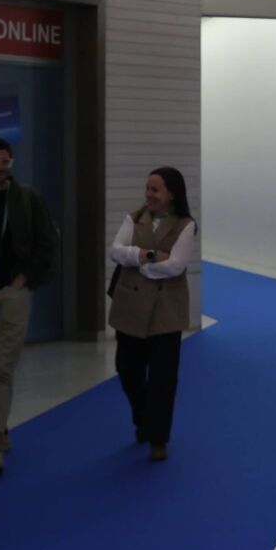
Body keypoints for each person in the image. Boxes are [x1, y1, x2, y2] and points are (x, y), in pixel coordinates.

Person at [0, 137, 60, 476]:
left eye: (5, 162)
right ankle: (1, 426)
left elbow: (48, 244)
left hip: (14, 292)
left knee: (2, 366)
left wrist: (23, 280)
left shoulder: (27, 199)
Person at [108, 167, 198, 461]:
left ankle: (158, 437)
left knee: (163, 378)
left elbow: (176, 266)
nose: (149, 194)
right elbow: (116, 251)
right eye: (147, 188)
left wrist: (139, 265)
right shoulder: (133, 218)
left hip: (166, 312)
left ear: (172, 193)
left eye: (155, 189)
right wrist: (147, 256)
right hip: (130, 308)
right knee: (127, 369)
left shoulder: (186, 225)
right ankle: (142, 415)